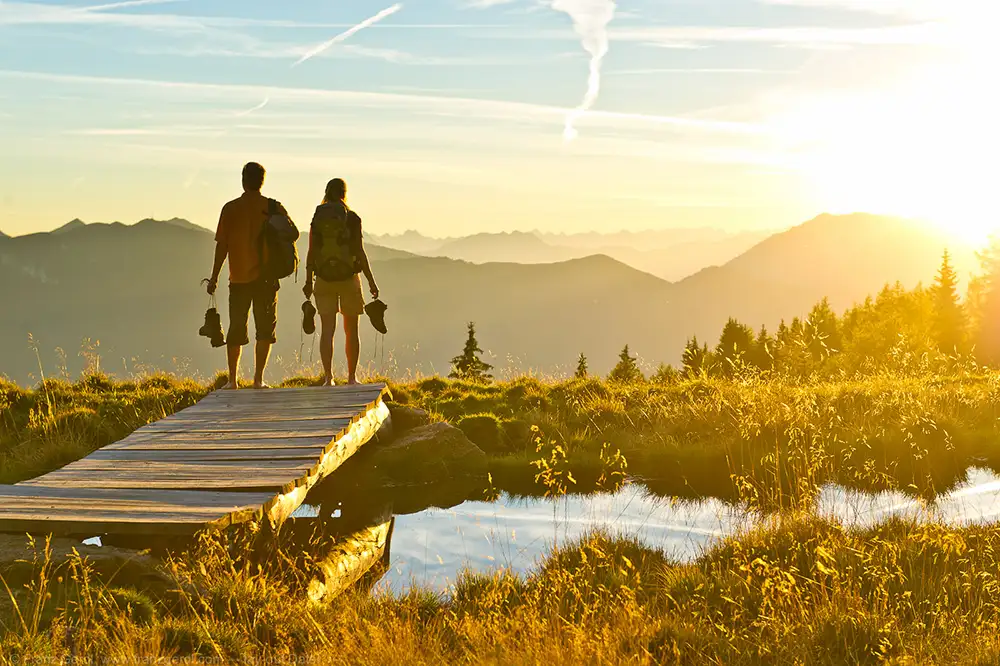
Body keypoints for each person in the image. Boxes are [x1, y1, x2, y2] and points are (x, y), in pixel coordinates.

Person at [206, 162, 289, 389]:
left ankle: (233, 381)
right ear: (262, 181)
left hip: (239, 278)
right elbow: (291, 235)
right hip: (266, 278)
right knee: (264, 330)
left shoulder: (230, 209)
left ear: (243, 180)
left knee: (236, 328)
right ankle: (258, 380)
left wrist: (214, 277)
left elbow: (222, 246)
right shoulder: (273, 208)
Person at [303, 178, 379, 386]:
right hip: (348, 278)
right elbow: (359, 252)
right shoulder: (352, 218)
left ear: (326, 192)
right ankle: (352, 377)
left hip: (323, 279)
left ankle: (329, 378)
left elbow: (312, 251)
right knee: (351, 329)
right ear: (344, 194)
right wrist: (371, 281)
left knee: (327, 329)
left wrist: (308, 281)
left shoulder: (318, 217)